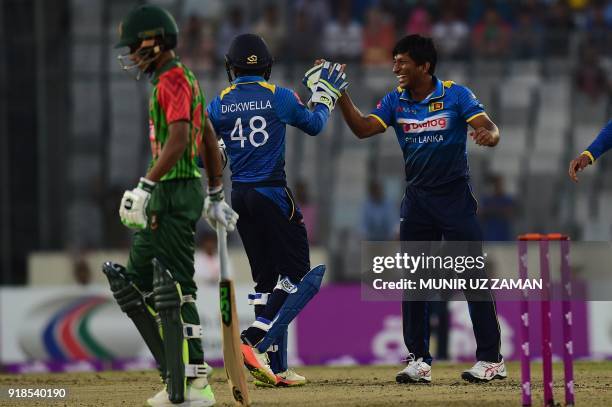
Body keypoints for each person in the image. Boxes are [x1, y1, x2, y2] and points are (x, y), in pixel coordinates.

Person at [334, 34, 505, 383]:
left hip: (455, 199)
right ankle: (419, 360)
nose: (395, 67)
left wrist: (491, 136)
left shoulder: (456, 94)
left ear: (424, 67)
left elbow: (488, 127)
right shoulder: (395, 101)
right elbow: (364, 129)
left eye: (403, 62)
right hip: (417, 201)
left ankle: (491, 360)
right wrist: (340, 96)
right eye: (395, 60)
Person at [105, 5, 237, 406]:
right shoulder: (178, 79)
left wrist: (147, 184)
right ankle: (174, 373)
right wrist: (215, 193)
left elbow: (182, 137)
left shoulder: (174, 79)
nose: (130, 54)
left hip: (173, 189)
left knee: (177, 288)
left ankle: (196, 382)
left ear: (154, 42)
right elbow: (209, 137)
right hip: (176, 189)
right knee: (133, 285)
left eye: (134, 46)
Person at [205, 33, 346, 387]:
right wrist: (325, 97)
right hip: (272, 192)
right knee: (298, 273)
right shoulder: (277, 96)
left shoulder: (217, 104)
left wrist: (223, 147)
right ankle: (252, 339)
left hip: (241, 198)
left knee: (266, 281)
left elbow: (204, 153)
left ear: (230, 68)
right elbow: (314, 125)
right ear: (267, 67)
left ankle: (277, 369)